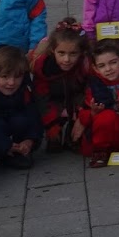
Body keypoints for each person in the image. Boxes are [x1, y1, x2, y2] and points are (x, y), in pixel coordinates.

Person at [0, 46, 42, 169]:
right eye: (5, 77)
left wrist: (31, 139)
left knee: (21, 120)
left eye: (17, 77)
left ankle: (16, 153)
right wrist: (4, 145)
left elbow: (33, 116)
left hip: (10, 125)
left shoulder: (24, 90)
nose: (11, 83)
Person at [32, 19, 90, 152]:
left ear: (81, 52)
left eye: (73, 54)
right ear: (53, 50)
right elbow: (41, 98)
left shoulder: (86, 65)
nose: (67, 60)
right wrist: (51, 123)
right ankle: (55, 131)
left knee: (82, 139)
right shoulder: (44, 68)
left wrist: (82, 118)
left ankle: (73, 131)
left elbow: (90, 91)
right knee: (53, 140)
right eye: (61, 53)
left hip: (77, 101)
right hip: (54, 102)